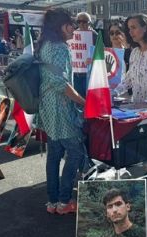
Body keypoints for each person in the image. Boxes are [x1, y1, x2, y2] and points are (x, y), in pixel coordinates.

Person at [37, 8, 86, 216]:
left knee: (54, 154)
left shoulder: (45, 45)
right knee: (75, 152)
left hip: (48, 106)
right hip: (61, 107)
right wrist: (82, 101)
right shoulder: (59, 47)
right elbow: (60, 83)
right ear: (61, 26)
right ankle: (64, 201)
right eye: (71, 25)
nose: (74, 30)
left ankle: (52, 201)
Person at [113, 14, 147, 109]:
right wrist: (114, 92)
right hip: (137, 108)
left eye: (133, 27)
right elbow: (129, 79)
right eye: (129, 28)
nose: (130, 32)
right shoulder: (134, 52)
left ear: (145, 28)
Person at [71, 13, 96, 97]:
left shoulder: (94, 35)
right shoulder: (72, 35)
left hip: (88, 73)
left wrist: (94, 58)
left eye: (84, 21)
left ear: (89, 22)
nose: (81, 24)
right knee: (77, 97)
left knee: (88, 97)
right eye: (79, 21)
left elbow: (101, 52)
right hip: (75, 73)